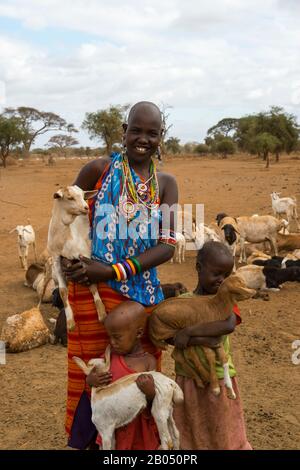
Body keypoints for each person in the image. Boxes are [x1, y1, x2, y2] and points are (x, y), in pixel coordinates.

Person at [61, 101, 178, 449]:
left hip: (142, 296)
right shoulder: (98, 170)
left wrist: (112, 269)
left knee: (141, 377)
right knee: (95, 373)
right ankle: (82, 442)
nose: (142, 139)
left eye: (151, 133)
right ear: (123, 132)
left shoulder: (167, 184)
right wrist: (70, 259)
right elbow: (66, 216)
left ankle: (137, 446)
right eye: (136, 130)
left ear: (161, 137)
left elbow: (168, 245)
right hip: (93, 295)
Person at [172, 241, 252, 450]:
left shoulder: (225, 298)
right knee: (191, 427)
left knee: (223, 427)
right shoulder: (184, 301)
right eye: (217, 274)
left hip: (219, 376)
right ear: (199, 268)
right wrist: (181, 336)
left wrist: (189, 333)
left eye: (227, 275)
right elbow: (171, 336)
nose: (222, 281)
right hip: (188, 377)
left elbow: (227, 325)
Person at [86, 301, 160, 450]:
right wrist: (91, 380)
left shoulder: (148, 362)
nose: (112, 342)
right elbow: (90, 386)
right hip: (111, 427)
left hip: (137, 427)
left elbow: (158, 399)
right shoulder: (107, 359)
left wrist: (150, 391)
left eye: (117, 337)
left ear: (139, 333)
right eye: (110, 337)